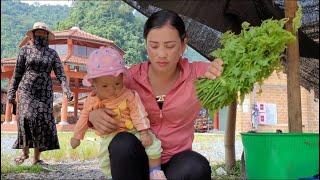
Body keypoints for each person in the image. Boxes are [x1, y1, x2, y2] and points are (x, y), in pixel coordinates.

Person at [88, 9, 224, 180]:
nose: (161, 54)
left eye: (170, 46)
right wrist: (92, 116)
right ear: (146, 44)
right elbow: (96, 95)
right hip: (136, 160)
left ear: (183, 44)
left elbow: (228, 72)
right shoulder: (129, 78)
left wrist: (220, 66)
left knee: (197, 166)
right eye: (154, 45)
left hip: (176, 163)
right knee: (122, 143)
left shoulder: (198, 74)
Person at [70, 47, 166, 179]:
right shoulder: (92, 100)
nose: (112, 89)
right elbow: (84, 118)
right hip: (109, 136)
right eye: (105, 86)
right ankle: (111, 176)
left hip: (133, 131)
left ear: (122, 78)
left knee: (153, 144)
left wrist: (144, 131)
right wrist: (77, 136)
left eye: (117, 84)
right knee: (105, 159)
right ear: (94, 84)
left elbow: (138, 112)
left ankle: (155, 171)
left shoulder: (128, 95)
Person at [7, 22, 73, 165]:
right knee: (26, 117)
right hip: (26, 89)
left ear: (47, 36)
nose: (40, 34)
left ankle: (36, 159)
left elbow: (61, 74)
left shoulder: (52, 53)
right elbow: (17, 74)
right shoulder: (25, 51)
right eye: (38, 32)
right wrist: (11, 92)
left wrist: (66, 90)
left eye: (43, 33)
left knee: (41, 122)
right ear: (34, 34)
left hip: (44, 92)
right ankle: (24, 152)